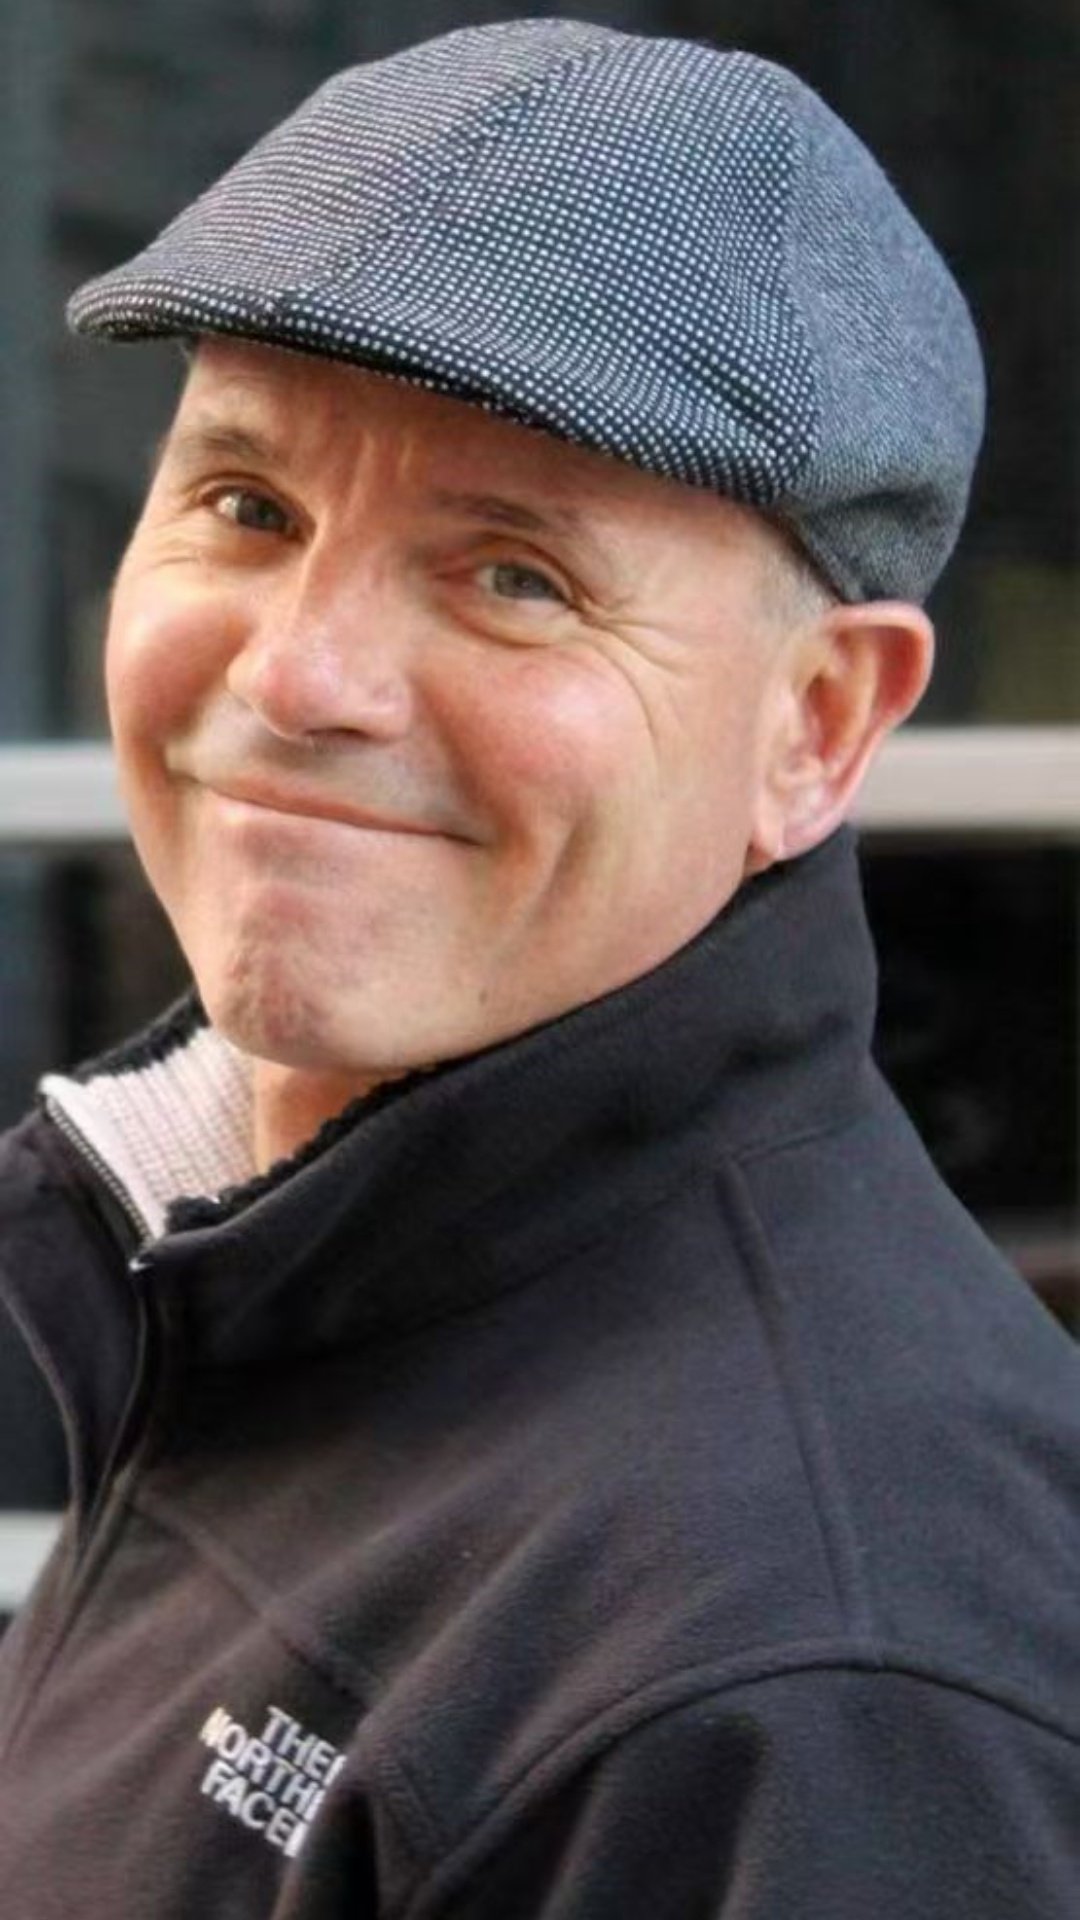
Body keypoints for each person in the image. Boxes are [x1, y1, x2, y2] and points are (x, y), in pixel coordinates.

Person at [0, 18, 1076, 1916]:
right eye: (249, 507)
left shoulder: (818, 1691)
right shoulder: (292, 1279)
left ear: (818, 724)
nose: (296, 677)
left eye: (516, 575)